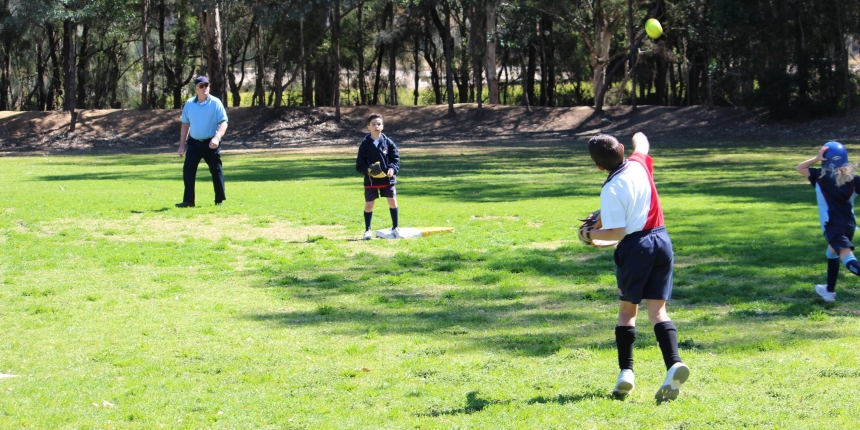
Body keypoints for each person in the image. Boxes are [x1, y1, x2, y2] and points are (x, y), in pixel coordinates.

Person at [584, 132, 690, 402]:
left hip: (635, 248)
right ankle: (674, 364)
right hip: (662, 240)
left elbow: (616, 232)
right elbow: (641, 139)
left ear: (598, 167)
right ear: (621, 149)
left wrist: (587, 235)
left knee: (627, 312)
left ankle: (626, 373)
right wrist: (636, 135)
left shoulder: (610, 188)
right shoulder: (639, 163)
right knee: (658, 312)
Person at [796, 141, 860, 302]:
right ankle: (829, 291)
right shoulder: (854, 180)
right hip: (849, 225)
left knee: (846, 256)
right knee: (832, 251)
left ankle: (829, 291)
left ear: (826, 159)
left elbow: (800, 168)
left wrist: (817, 158)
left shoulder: (820, 177)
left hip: (833, 226)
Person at [175, 76, 228, 207]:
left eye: (207, 85)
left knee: (216, 170)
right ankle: (188, 201)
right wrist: (182, 145)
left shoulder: (215, 103)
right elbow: (185, 125)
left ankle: (219, 200)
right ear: (196, 89)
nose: (205, 88)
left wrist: (217, 138)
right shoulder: (189, 104)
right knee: (188, 169)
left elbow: (223, 122)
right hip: (194, 143)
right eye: (202, 86)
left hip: (211, 143)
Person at [355, 113, 400, 240]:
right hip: (371, 181)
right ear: (368, 127)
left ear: (382, 126)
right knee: (369, 205)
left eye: (379, 124)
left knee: (393, 202)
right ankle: (368, 230)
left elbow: (395, 159)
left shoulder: (388, 143)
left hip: (388, 180)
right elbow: (359, 165)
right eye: (373, 124)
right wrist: (368, 171)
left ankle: (395, 227)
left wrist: (392, 169)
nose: (376, 126)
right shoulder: (364, 145)